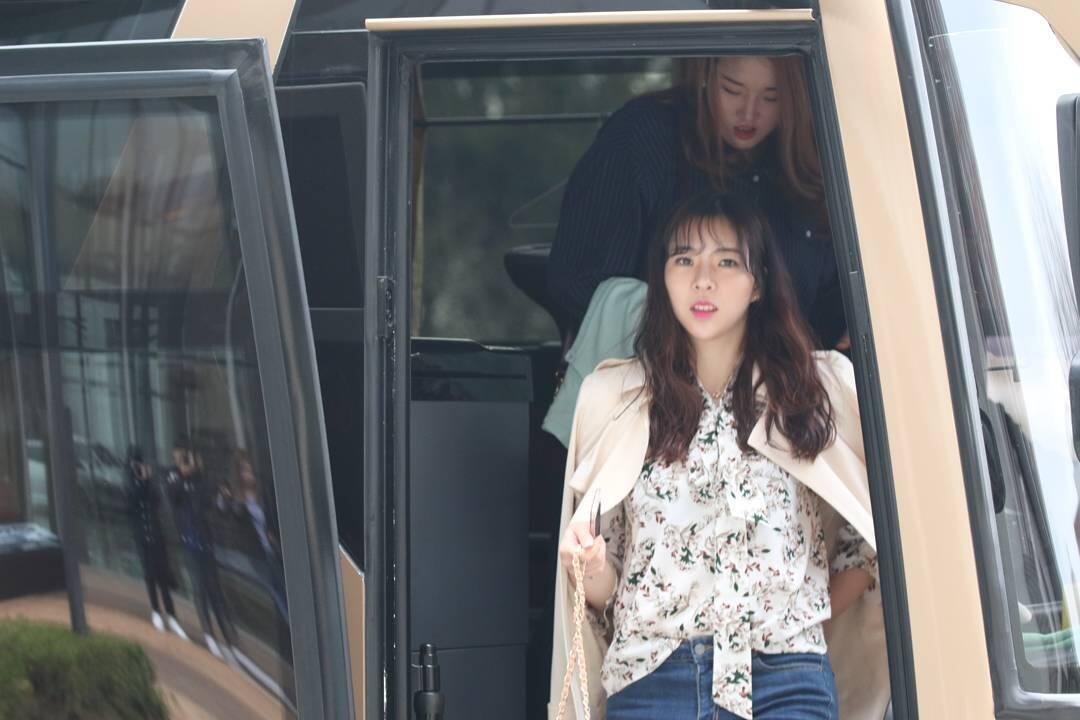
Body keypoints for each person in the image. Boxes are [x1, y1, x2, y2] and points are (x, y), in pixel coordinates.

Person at [549, 194, 888, 720]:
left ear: (758, 283)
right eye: (684, 259)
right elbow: (606, 586)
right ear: (662, 277)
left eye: (727, 261)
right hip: (653, 681)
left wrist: (801, 623)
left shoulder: (818, 389)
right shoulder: (616, 398)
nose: (702, 280)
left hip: (786, 683)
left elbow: (866, 543)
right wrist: (588, 566)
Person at [547, 55, 847, 351]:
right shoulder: (645, 137)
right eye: (732, 90)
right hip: (651, 369)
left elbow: (832, 300)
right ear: (706, 73)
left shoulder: (817, 155)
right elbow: (579, 278)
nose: (749, 112)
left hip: (787, 375)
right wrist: (679, 340)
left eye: (772, 97)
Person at [165, 435, 238, 663]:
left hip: (205, 540)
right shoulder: (172, 475)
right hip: (188, 541)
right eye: (180, 455)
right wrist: (183, 473)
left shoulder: (201, 480)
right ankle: (209, 634)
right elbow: (172, 495)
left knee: (214, 588)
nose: (183, 460)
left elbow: (215, 506)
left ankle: (228, 635)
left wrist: (223, 496)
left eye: (187, 456)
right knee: (199, 588)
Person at [126, 447, 188, 641]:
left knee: (162, 574)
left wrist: (148, 480)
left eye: (141, 465)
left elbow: (156, 500)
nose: (139, 468)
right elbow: (132, 503)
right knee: (149, 574)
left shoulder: (151, 484)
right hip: (142, 536)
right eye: (136, 465)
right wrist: (141, 481)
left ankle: (171, 615)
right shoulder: (130, 484)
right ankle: (155, 611)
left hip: (156, 534)